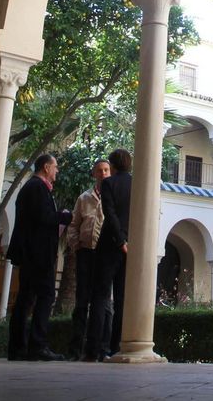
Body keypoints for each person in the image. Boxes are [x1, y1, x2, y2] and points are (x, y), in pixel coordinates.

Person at [7, 153, 70, 361]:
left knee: (27, 298)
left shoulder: (33, 187)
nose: (57, 171)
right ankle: (37, 345)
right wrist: (64, 216)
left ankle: (19, 348)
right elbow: (43, 220)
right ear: (45, 167)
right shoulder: (37, 188)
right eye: (55, 166)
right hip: (37, 254)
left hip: (32, 253)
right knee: (44, 296)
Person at [65, 157, 109, 361]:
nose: (103, 174)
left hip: (104, 255)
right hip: (86, 253)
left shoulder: (113, 197)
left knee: (104, 304)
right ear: (94, 174)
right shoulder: (84, 198)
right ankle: (75, 350)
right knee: (82, 302)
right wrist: (76, 246)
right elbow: (74, 224)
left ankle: (101, 348)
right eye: (99, 170)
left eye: (106, 170)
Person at [90, 147, 132, 358]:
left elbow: (110, 213)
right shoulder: (136, 184)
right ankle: (116, 347)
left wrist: (119, 239)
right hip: (129, 248)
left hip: (110, 245)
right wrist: (127, 241)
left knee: (100, 296)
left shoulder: (108, 183)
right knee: (122, 298)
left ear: (113, 166)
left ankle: (94, 349)